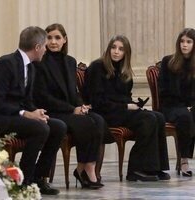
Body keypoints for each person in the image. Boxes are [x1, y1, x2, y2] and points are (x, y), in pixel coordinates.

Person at [83, 34, 170, 181]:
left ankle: (156, 167)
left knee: (159, 117)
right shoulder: (97, 67)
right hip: (104, 113)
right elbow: (98, 101)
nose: (116, 51)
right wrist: (125, 106)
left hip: (120, 111)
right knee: (147, 119)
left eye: (121, 49)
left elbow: (124, 96)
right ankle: (136, 170)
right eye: (113, 47)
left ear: (126, 53)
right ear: (108, 49)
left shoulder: (124, 71)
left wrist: (134, 105)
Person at [33, 23, 108, 189]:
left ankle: (83, 167)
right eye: (49, 38)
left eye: (57, 38)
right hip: (52, 111)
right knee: (86, 123)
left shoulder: (70, 61)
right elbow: (43, 96)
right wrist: (71, 109)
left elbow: (73, 91)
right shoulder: (39, 62)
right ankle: (87, 169)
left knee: (98, 120)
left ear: (64, 40)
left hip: (70, 109)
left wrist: (81, 106)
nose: (53, 42)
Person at [0, 26, 67, 195]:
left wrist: (36, 112)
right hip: (2, 118)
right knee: (40, 128)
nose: (45, 49)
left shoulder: (31, 67)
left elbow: (27, 101)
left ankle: (39, 177)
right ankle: (24, 180)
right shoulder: (6, 63)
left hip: (18, 117)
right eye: (44, 46)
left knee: (58, 126)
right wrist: (26, 114)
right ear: (36, 47)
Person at [158, 28, 195, 177]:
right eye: (182, 41)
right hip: (170, 106)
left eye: (188, 42)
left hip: (189, 106)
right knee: (185, 116)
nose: (184, 45)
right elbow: (163, 91)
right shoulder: (168, 61)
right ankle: (184, 160)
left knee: (190, 114)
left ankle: (184, 157)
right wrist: (184, 106)